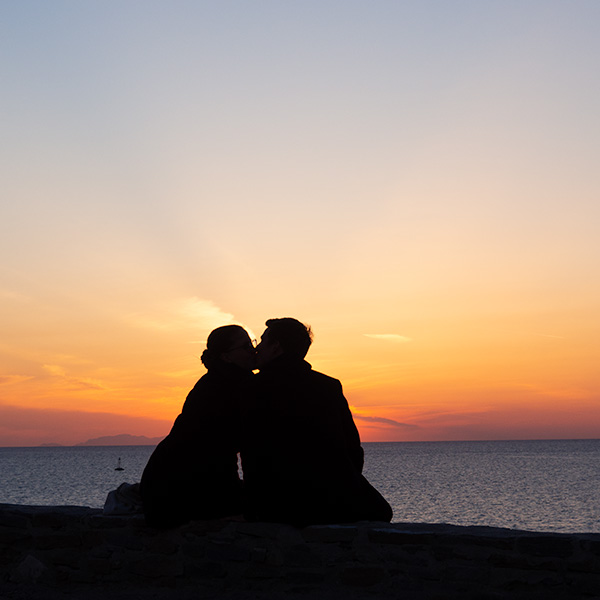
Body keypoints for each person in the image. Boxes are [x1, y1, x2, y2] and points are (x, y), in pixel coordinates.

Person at [241, 318, 392, 526]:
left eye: (262, 342)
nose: (256, 349)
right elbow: (353, 448)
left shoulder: (252, 389)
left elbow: (252, 453)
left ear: (276, 347)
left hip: (279, 505)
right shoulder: (328, 386)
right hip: (335, 500)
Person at [140, 324, 255, 528]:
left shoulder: (225, 381)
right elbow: (214, 451)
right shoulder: (225, 387)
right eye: (246, 347)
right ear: (226, 356)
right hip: (179, 487)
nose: (253, 350)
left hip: (171, 482)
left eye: (252, 343)